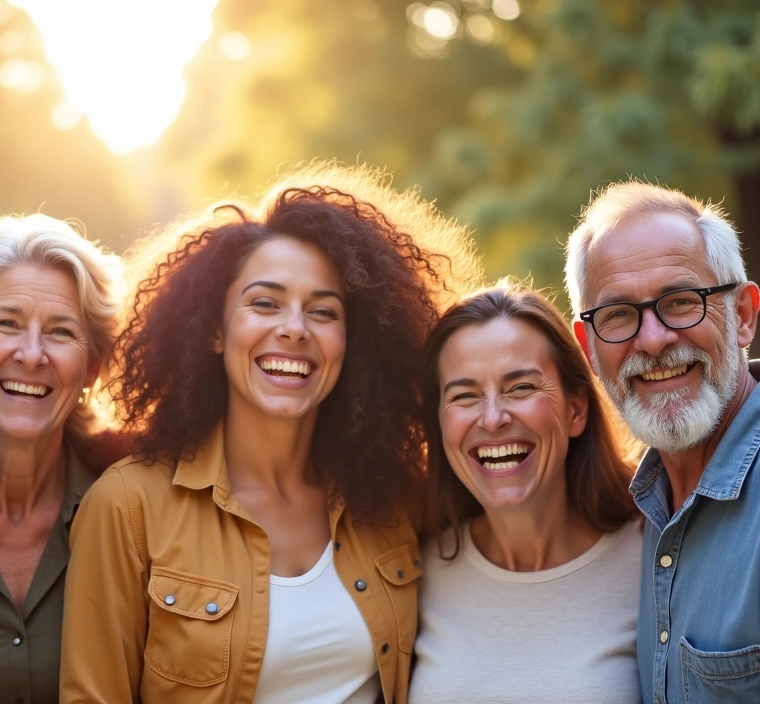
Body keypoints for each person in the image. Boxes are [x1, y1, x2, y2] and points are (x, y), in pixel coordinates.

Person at [59, 165, 471, 704]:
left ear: (353, 342)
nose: (295, 328)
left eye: (323, 311)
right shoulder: (128, 507)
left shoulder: (396, 501)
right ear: (214, 329)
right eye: (265, 303)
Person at [565, 181, 760, 702]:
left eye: (681, 302)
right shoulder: (645, 504)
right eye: (618, 314)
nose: (653, 340)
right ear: (589, 350)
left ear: (743, 316)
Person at [0, 213, 126, 704]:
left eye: (60, 332)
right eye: (8, 324)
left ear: (91, 369)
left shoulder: (132, 509)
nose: (32, 355)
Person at [409, 280, 642, 703]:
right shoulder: (413, 570)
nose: (492, 418)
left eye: (521, 388)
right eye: (464, 395)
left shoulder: (653, 560)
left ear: (576, 410)